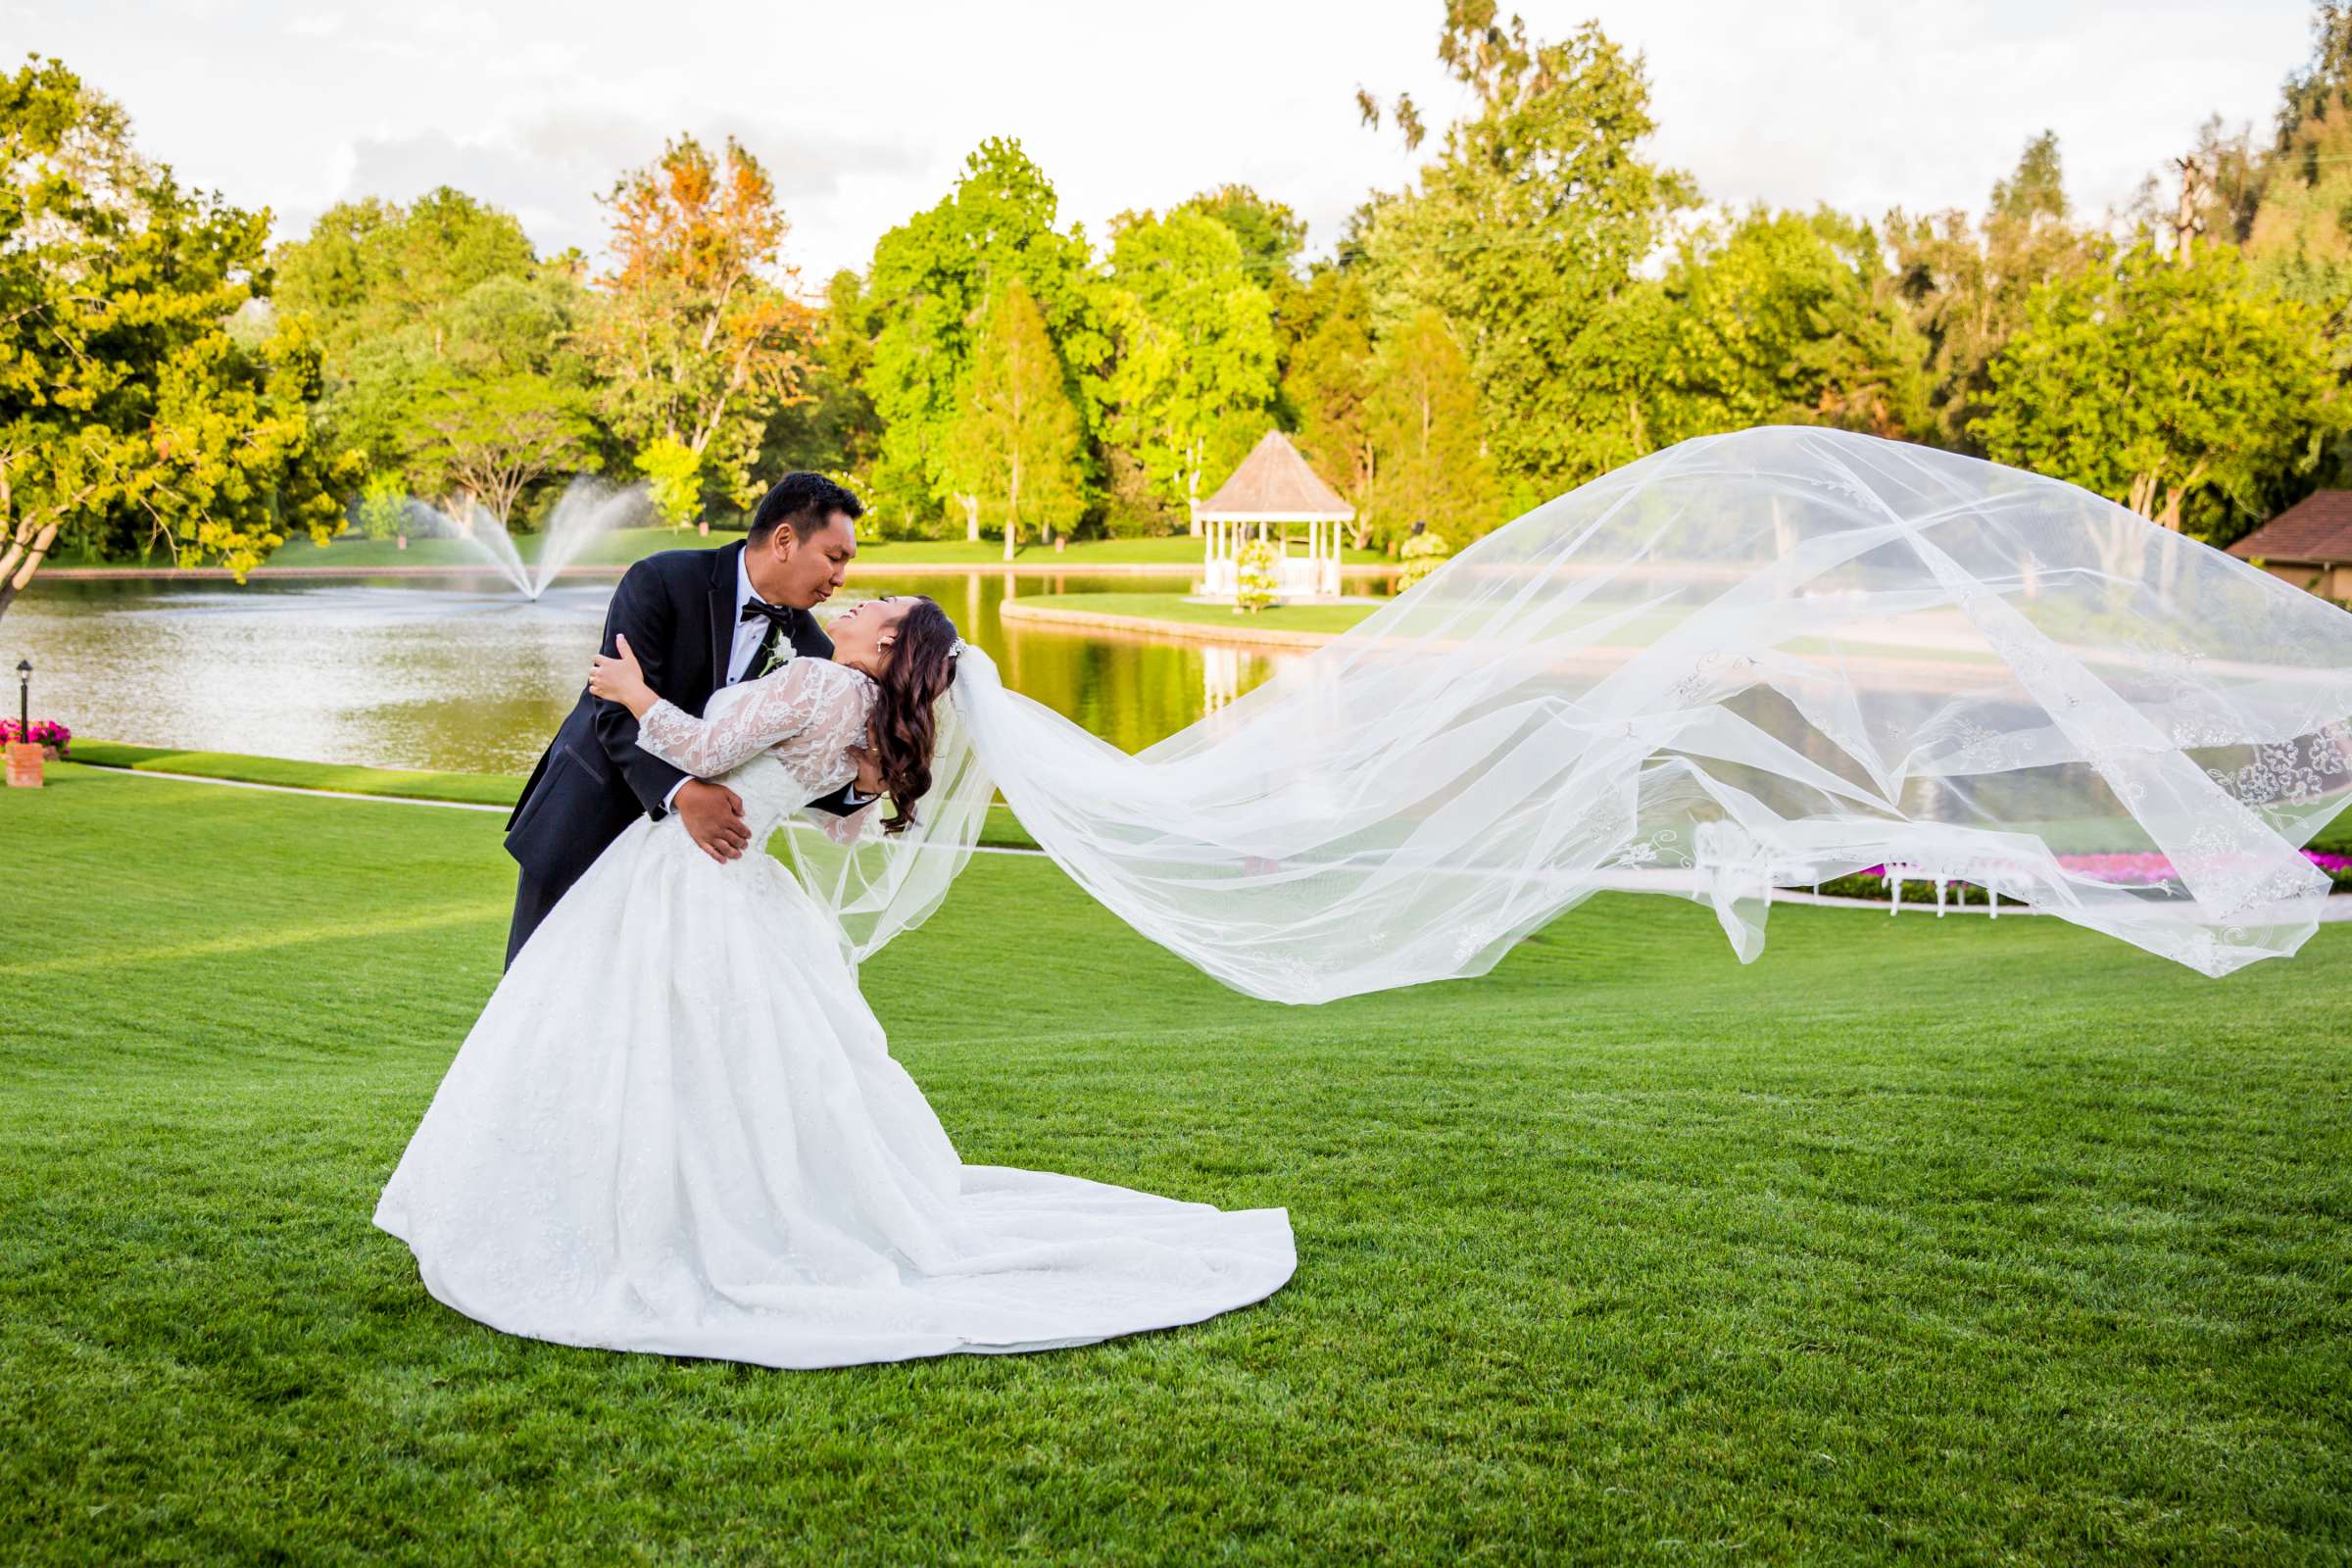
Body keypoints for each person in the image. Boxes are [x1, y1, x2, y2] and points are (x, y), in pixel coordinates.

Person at [374, 593, 1297, 1370]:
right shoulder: (869, 718)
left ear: (890, 644)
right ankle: (717, 1203)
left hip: (687, 872)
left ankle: (650, 1219)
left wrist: (632, 691)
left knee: (638, 1038)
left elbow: (700, 750)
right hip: (747, 878)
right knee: (725, 1057)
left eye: (872, 607)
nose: (852, 605)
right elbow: (844, 824)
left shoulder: (819, 681)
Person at [500, 473, 881, 967]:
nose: (841, 578)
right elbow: (612, 709)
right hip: (589, 817)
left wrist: (864, 784)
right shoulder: (662, 579)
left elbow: (798, 768)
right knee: (536, 988)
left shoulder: (813, 653)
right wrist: (684, 793)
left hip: (687, 872)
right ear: (785, 540)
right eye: (835, 557)